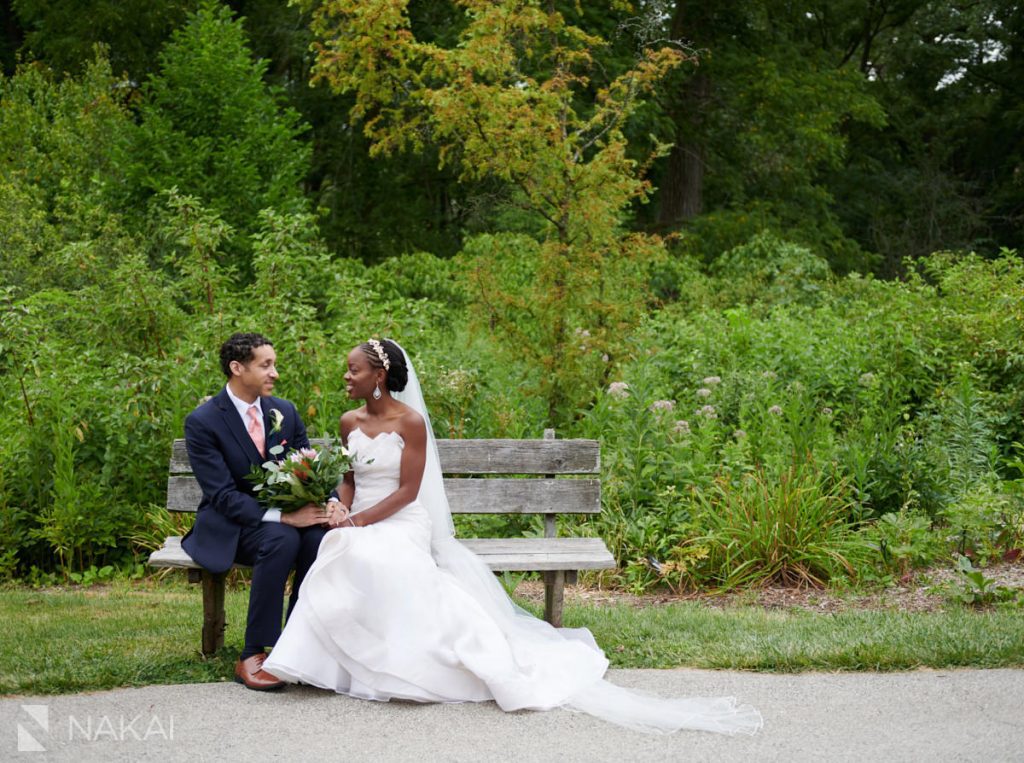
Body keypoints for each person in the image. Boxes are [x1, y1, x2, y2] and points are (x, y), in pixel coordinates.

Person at [264, 339, 762, 734]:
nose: (346, 378)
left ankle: (404, 662)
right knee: (338, 547)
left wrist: (360, 522)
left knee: (372, 554)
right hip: (362, 517)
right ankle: (331, 664)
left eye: (353, 370)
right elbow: (350, 480)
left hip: (399, 519)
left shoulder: (410, 423)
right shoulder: (350, 419)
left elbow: (410, 493)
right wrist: (341, 507)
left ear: (379, 376)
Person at [182, 332, 329, 691]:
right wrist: (284, 517)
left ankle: (297, 645)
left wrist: (331, 500)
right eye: (266, 365)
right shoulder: (203, 422)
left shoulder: (285, 412)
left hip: (282, 520)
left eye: (274, 364)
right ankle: (253, 652)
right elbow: (222, 496)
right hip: (232, 524)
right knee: (281, 538)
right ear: (237, 368)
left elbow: (306, 467)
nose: (274, 373)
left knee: (319, 538)